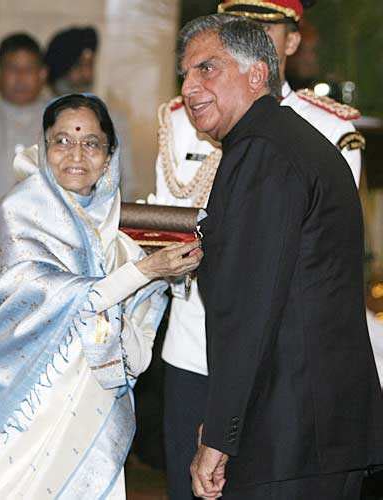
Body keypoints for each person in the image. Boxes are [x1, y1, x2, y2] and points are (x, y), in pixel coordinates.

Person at [156, 2, 365, 498]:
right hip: (304, 418)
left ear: (257, 73)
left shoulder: (263, 152)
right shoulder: (278, 140)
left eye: (207, 68)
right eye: (185, 73)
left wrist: (220, 433)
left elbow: (250, 304)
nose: (188, 87)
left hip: (291, 424)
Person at [0, 93, 202, 499]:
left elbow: (134, 303)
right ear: (43, 146)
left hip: (93, 397)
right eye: (62, 141)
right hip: (31, 397)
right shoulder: (17, 212)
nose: (75, 155)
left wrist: (163, 274)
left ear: (109, 155)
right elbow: (51, 296)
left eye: (91, 143)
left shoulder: (109, 222)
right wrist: (146, 270)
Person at [45, 27, 134, 201]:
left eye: (90, 65)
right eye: (79, 65)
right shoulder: (39, 117)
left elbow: (127, 183)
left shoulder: (112, 119)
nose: (86, 74)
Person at [0, 32, 47, 232]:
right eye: (12, 68)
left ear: (42, 74)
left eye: (29, 68)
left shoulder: (59, 125)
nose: (21, 77)